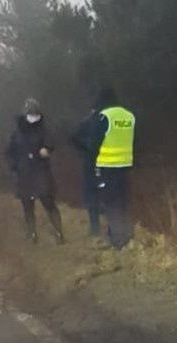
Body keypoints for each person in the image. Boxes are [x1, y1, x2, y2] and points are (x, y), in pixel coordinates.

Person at [6, 98, 65, 245]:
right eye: (31, 113)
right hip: (24, 173)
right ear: (25, 114)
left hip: (41, 171)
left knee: (48, 202)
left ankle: (59, 232)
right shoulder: (17, 132)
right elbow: (9, 152)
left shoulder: (44, 129)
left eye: (36, 113)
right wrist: (14, 165)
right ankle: (32, 234)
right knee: (28, 206)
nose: (34, 116)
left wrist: (47, 149)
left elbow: (50, 142)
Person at [83, 87, 136, 249]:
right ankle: (127, 235)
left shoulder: (104, 117)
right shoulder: (129, 116)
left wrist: (90, 164)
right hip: (125, 165)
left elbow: (94, 145)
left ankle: (117, 240)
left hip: (107, 167)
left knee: (111, 203)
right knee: (123, 201)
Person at [71, 108, 101, 237]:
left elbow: (74, 138)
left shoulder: (87, 122)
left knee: (92, 196)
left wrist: (85, 150)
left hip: (92, 162)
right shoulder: (101, 121)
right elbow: (74, 138)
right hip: (104, 163)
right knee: (98, 195)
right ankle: (99, 228)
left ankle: (95, 229)